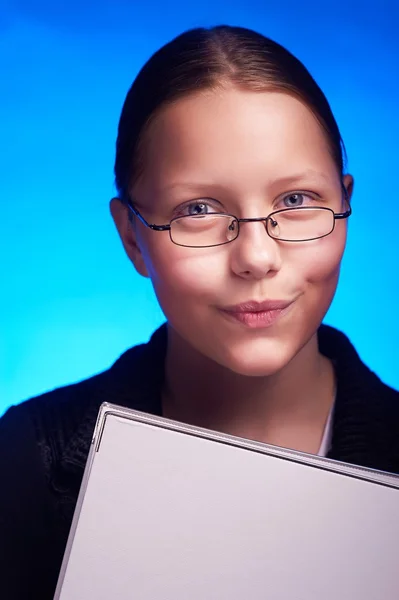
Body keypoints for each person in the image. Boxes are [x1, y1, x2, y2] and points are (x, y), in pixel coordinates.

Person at [1, 24, 398, 599]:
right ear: (132, 238)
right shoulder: (29, 467)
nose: (258, 257)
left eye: (295, 201)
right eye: (199, 209)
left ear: (345, 202)